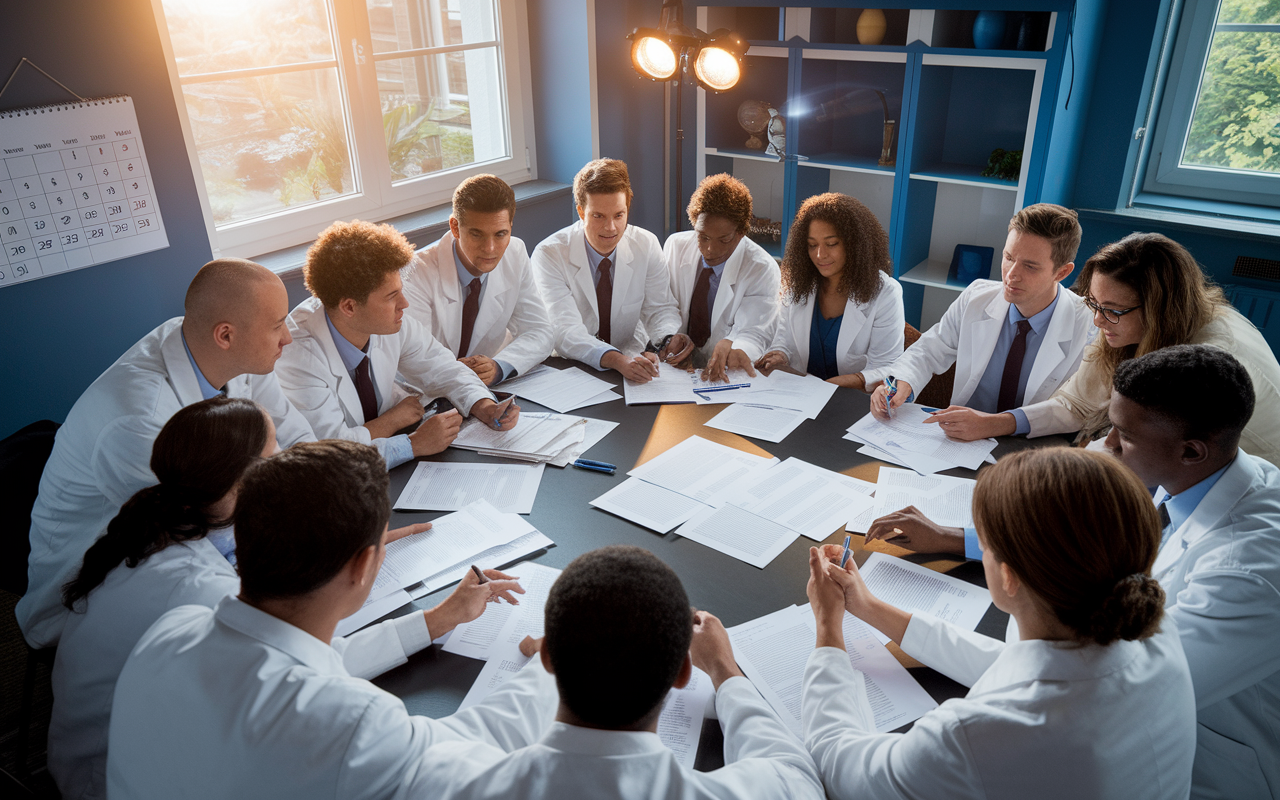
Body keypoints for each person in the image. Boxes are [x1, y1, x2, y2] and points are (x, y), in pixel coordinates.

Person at [107, 440, 557, 799]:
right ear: (364, 566)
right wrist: (552, 667)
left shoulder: (170, 631)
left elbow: (301, 660)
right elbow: (472, 749)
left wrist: (435, 621)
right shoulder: (352, 722)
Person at [48, 398, 433, 800]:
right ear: (240, 482)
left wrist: (341, 548)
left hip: (135, 734)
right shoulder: (198, 588)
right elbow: (302, 659)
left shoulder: (167, 520)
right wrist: (425, 620)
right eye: (273, 454)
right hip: (117, 775)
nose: (286, 459)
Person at [803, 448, 1196, 800]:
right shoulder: (1153, 633)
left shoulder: (978, 733)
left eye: (985, 545)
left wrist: (827, 627)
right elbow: (1021, 665)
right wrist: (869, 606)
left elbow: (842, 767)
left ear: (1008, 577)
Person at [17, 258, 315, 648]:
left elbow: (297, 439)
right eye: (277, 324)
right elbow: (202, 530)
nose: (288, 337)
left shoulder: (227, 351)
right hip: (97, 591)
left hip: (195, 554)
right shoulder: (138, 419)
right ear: (225, 335)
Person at [409, 545, 825, 799]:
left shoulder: (443, 780)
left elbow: (486, 727)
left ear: (548, 660)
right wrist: (722, 669)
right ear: (682, 672)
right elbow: (794, 773)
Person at [1105, 345, 1280, 798]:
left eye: (1123, 435)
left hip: (1210, 763)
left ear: (1190, 451)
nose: (1107, 444)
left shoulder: (1246, 571)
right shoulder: (1196, 476)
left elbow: (1131, 686)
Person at [276, 220, 519, 470]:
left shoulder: (388, 322)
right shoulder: (298, 355)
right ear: (349, 306)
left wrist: (485, 406)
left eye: (400, 291)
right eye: (392, 296)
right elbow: (329, 452)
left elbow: (442, 367)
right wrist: (409, 441)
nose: (404, 304)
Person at [1020, 232, 1280, 466]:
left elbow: (1152, 456)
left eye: (1111, 310)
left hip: (1244, 475)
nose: (1098, 320)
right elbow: (1078, 403)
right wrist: (990, 423)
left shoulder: (1204, 364)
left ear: (1158, 310)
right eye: (1094, 303)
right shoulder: (1124, 321)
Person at [865, 203, 1094, 433]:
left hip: (1031, 452)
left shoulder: (1090, 325)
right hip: (960, 441)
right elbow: (928, 349)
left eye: (1030, 266)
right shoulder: (977, 296)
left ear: (1062, 272)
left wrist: (995, 425)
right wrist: (900, 383)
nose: (1011, 274)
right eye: (1008, 257)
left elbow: (1074, 408)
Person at [532, 158, 690, 383]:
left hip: (628, 361)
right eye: (598, 216)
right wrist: (616, 360)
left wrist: (665, 341)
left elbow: (661, 308)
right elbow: (565, 330)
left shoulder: (646, 244)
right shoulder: (549, 253)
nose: (611, 228)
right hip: (568, 366)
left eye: (619, 215)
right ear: (581, 212)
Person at [402, 174, 554, 386]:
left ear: (510, 226)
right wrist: (466, 379)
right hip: (429, 392)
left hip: (489, 385)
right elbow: (417, 359)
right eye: (477, 234)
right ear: (455, 227)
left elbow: (539, 330)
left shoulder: (515, 251)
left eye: (501, 234)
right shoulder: (415, 272)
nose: (490, 248)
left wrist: (499, 366)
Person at [755, 192, 903, 388]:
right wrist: (779, 356)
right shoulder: (800, 284)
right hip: (801, 396)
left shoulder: (885, 293)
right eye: (811, 245)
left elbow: (888, 369)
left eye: (831, 244)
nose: (819, 255)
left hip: (854, 402)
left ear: (854, 244)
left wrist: (832, 386)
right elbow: (784, 342)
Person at [662, 174, 780, 382]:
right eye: (703, 237)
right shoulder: (675, 246)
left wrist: (736, 347)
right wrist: (669, 338)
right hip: (676, 372)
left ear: (742, 232)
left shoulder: (761, 268)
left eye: (724, 239)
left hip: (724, 375)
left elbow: (754, 332)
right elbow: (663, 305)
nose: (710, 249)